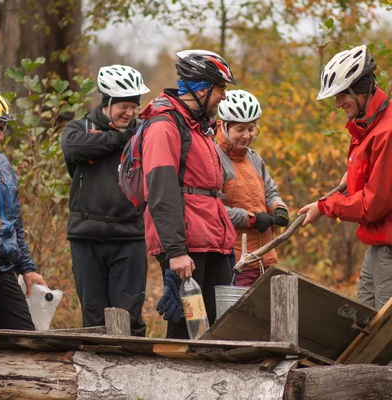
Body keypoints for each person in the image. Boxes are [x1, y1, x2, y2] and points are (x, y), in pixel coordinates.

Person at [140, 50, 237, 339]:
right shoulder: (164, 126)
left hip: (210, 238)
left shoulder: (197, 128)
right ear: (203, 89)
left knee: (217, 328)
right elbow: (160, 191)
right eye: (221, 89)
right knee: (186, 331)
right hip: (186, 244)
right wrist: (177, 251)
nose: (223, 97)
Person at [299, 44, 392, 310]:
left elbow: (372, 205)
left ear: (359, 89)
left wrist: (324, 206)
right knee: (361, 326)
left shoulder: (387, 131)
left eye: (341, 96)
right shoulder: (368, 126)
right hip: (377, 247)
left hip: (389, 249)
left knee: (384, 339)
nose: (338, 104)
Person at [61, 65, 150, 336]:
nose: (130, 113)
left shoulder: (145, 133)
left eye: (134, 107)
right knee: (94, 316)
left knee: (128, 317)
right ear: (107, 102)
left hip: (130, 236)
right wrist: (122, 138)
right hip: (86, 237)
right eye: (123, 106)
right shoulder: (79, 127)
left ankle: (132, 375)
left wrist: (114, 139)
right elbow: (75, 147)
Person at [216, 89, 289, 287]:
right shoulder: (214, 159)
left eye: (251, 128)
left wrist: (278, 208)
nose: (246, 135)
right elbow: (214, 209)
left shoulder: (253, 157)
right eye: (240, 129)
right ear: (224, 126)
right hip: (237, 262)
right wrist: (252, 219)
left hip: (266, 259)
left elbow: (270, 191)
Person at [0, 91, 47, 330]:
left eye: (2, 128)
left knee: (26, 340)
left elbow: (14, 224)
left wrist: (27, 269)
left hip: (4, 268)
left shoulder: (3, 164)